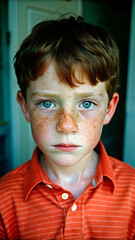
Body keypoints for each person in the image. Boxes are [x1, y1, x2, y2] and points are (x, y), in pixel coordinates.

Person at [0, 16, 135, 240]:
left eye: (87, 104)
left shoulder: (132, 192)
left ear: (109, 109)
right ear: (25, 107)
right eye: (47, 103)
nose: (66, 126)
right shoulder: (4, 200)